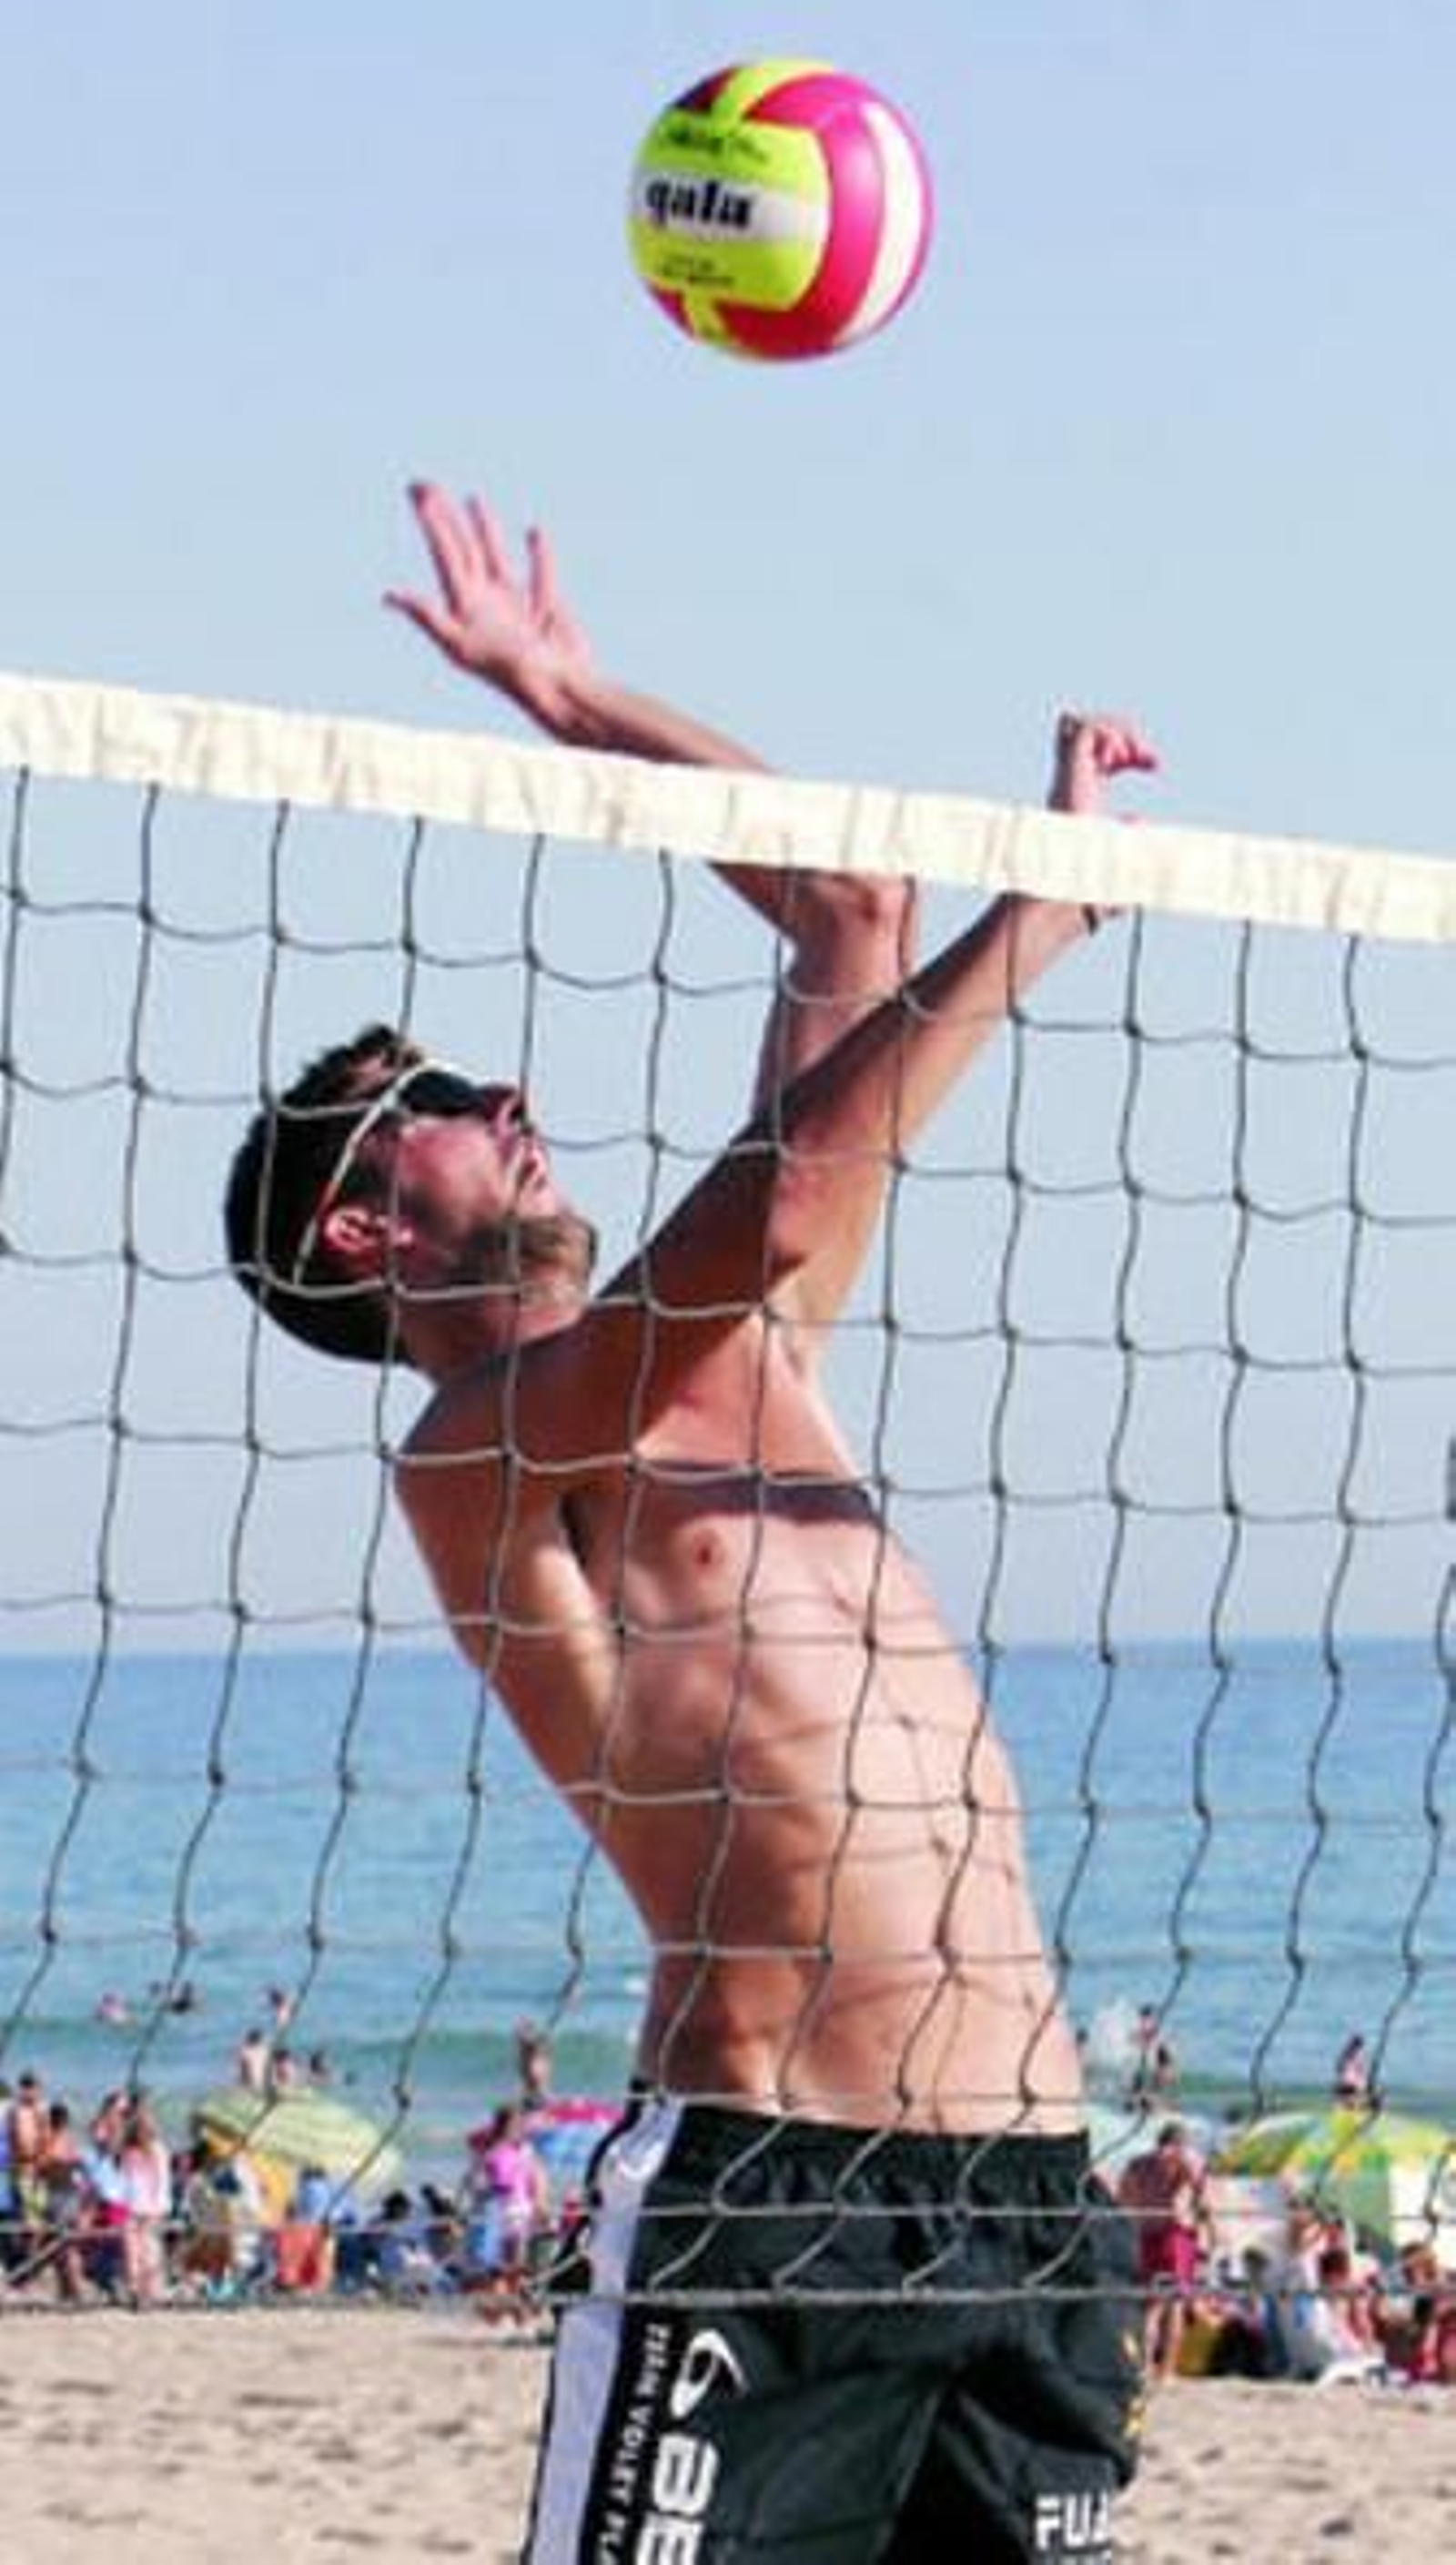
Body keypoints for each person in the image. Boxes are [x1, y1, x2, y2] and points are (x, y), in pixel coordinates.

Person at [225, 481, 1158, 2560]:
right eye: (446, 1096)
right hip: (772, 2195)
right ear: (369, 1221)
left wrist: (575, 698)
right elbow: (792, 1190)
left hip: (1028, 2189)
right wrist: (1035, 923)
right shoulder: (481, 1454)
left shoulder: (760, 1355)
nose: (506, 1094)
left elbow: (844, 906)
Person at [1117, 2119, 1208, 2382]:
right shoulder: (1181, 2161)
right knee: (1175, 2307)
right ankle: (1167, 2370)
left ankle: (1144, 2368)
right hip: (1173, 2236)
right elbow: (1202, 2200)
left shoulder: (1137, 2164)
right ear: (1180, 2143)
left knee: (1150, 2308)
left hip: (1145, 2235)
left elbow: (1122, 2199)